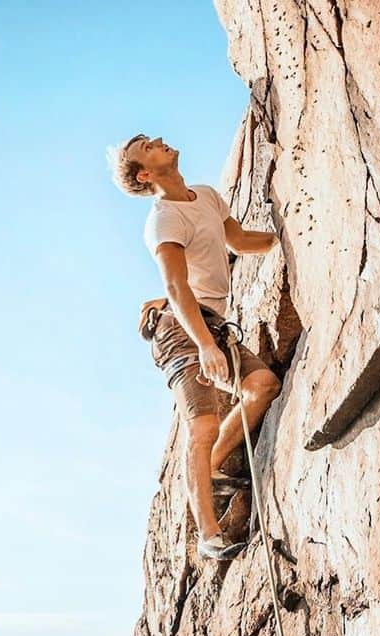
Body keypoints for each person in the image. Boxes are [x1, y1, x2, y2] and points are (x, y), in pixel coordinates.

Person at [107, 134, 283, 559]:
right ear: (145, 174)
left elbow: (239, 242)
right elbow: (174, 285)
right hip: (182, 329)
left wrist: (284, 233)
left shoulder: (205, 196)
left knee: (262, 385)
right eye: (147, 146)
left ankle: (214, 465)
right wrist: (205, 345)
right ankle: (208, 535)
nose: (159, 140)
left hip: (212, 324)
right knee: (202, 425)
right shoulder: (163, 220)